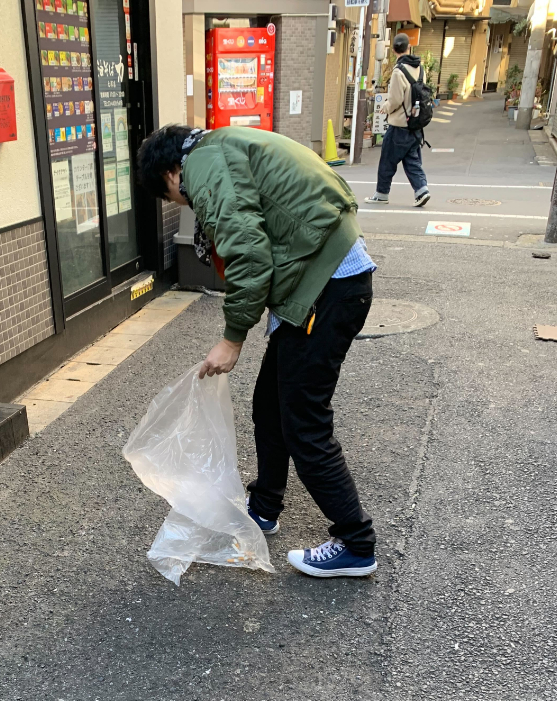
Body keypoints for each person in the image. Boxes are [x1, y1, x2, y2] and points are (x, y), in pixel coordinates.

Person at [136, 124, 378, 579]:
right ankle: (264, 507)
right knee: (269, 406)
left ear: (169, 174)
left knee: (303, 422)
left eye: (173, 197)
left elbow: (248, 253)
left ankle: (356, 542)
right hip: (317, 282)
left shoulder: (203, 164)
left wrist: (232, 338)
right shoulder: (221, 146)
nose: (183, 203)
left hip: (326, 285)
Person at [365, 33, 431, 208]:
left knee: (387, 161)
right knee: (412, 160)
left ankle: (381, 194)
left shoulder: (398, 71)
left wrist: (385, 107)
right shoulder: (420, 69)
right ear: (409, 47)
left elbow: (395, 99)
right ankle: (422, 190)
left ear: (394, 50)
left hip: (399, 125)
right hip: (415, 125)